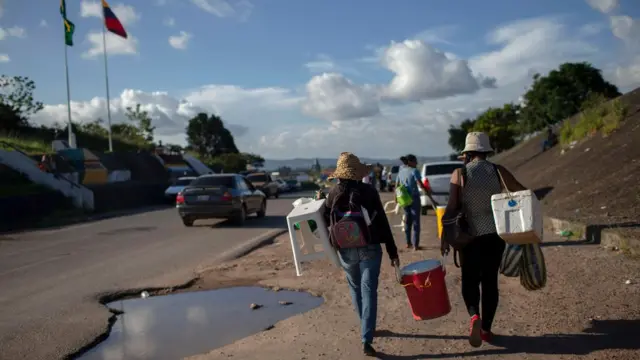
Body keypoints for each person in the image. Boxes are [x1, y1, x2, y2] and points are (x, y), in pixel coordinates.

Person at [441, 132, 526, 347]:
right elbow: (520, 190)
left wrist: (445, 237)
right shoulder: (497, 171)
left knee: (469, 279)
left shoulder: (459, 173)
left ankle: (473, 317)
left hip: (469, 237)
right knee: (490, 282)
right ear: (486, 151)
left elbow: (451, 208)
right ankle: (487, 330)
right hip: (494, 235)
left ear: (467, 153)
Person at [319, 152, 399, 357]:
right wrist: (392, 251)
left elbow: (324, 220)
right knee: (369, 290)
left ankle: (366, 326)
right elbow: (381, 221)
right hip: (370, 246)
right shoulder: (369, 191)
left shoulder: (333, 192)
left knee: (355, 288)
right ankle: (366, 337)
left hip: (345, 249)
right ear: (357, 174)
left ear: (340, 174)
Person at [395, 154, 430, 250]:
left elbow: (397, 185)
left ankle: (408, 243)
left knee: (407, 221)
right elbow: (420, 183)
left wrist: (396, 198)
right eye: (415, 161)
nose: (417, 163)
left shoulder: (401, 171)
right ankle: (416, 245)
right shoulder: (414, 171)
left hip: (404, 199)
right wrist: (427, 192)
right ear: (410, 162)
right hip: (414, 198)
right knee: (416, 222)